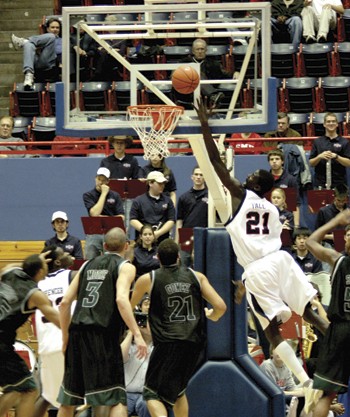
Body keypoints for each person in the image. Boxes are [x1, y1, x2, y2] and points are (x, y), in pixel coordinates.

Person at [194, 98, 329, 414]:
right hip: (281, 259)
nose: (252, 173)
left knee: (270, 331)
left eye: (253, 173)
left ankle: (304, 380)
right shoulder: (272, 207)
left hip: (257, 269)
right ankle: (337, 337)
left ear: (255, 183)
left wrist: (205, 125)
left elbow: (214, 163)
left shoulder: (241, 196)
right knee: (309, 310)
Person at [57, 227, 147, 417]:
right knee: (116, 398)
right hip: (102, 335)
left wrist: (65, 337)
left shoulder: (86, 265)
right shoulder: (126, 266)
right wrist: (137, 334)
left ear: (104, 246)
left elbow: (64, 303)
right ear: (127, 245)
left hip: (77, 334)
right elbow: (122, 300)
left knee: (69, 399)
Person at [131, 238, 227, 417]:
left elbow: (128, 307)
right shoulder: (197, 277)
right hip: (194, 344)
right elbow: (221, 307)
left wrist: (134, 330)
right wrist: (211, 316)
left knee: (151, 393)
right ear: (179, 257)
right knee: (178, 391)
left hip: (168, 343)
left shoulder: (148, 279)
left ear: (157, 257)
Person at [0, 252, 60, 417]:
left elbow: (14, 266)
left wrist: (34, 261)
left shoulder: (9, 272)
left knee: (17, 387)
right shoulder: (35, 294)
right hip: (1, 345)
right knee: (27, 389)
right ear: (40, 272)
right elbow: (60, 321)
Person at [305, 209, 350, 417]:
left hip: (339, 331)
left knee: (327, 395)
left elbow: (311, 242)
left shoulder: (337, 259)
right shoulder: (337, 259)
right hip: (339, 328)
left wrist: (335, 222)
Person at [33, 246, 77, 417]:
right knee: (70, 398)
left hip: (46, 345)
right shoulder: (69, 276)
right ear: (58, 261)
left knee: (47, 396)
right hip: (65, 343)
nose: (69, 255)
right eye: (65, 254)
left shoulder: (38, 282)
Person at [100, 136, 143, 231]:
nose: (119, 145)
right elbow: (101, 180)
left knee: (127, 223)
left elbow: (136, 180)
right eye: (117, 143)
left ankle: (124, 242)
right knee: (111, 222)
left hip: (127, 198)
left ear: (126, 144)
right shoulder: (105, 161)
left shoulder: (132, 160)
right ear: (113, 144)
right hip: (110, 198)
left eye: (121, 143)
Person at [175, 38, 232, 109]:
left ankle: (212, 96)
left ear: (206, 50)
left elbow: (226, 75)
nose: (200, 51)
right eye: (197, 49)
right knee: (194, 72)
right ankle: (213, 95)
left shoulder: (214, 64)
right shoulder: (183, 63)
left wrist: (235, 73)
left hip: (206, 99)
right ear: (193, 51)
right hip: (188, 94)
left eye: (202, 49)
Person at [83, 167, 125, 259]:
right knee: (90, 256)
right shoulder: (88, 195)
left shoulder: (115, 195)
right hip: (94, 232)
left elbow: (121, 217)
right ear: (95, 179)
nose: (100, 182)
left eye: (104, 180)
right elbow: (94, 213)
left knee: (112, 258)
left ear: (108, 181)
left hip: (111, 232)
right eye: (99, 179)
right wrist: (103, 194)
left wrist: (105, 219)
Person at [121, 295, 153, 417]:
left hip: (147, 395)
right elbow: (120, 357)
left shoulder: (160, 345)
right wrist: (132, 332)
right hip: (126, 393)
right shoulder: (130, 342)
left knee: (147, 405)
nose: (144, 324)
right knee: (117, 406)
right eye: (146, 303)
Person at [11, 17, 62, 90]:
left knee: (50, 37)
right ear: (47, 29)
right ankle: (29, 73)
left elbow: (59, 51)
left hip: (50, 64)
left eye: (57, 28)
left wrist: (42, 49)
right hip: (37, 63)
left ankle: (24, 41)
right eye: (52, 27)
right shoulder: (41, 38)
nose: (55, 29)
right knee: (29, 45)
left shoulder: (62, 40)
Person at [130, 171, 176, 244]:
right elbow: (133, 219)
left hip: (162, 242)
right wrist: (146, 233)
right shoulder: (138, 200)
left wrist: (158, 233)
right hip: (142, 243)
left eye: (163, 183)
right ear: (150, 183)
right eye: (159, 183)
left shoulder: (168, 201)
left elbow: (171, 220)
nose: (162, 185)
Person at [309, 112, 350, 189]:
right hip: (320, 183)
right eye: (328, 121)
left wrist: (337, 157)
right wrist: (319, 157)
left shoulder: (344, 142)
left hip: (339, 183)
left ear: (337, 124)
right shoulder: (317, 142)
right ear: (324, 124)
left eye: (333, 121)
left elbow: (348, 163)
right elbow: (311, 163)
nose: (331, 123)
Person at [268, 149, 301, 228]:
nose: (274, 161)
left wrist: (296, 226)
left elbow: (295, 204)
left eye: (277, 159)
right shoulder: (265, 179)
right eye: (271, 159)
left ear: (282, 161)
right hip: (268, 220)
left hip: (286, 220)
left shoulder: (290, 179)